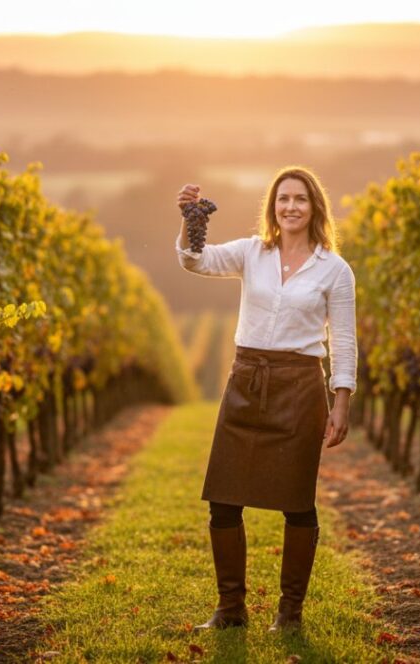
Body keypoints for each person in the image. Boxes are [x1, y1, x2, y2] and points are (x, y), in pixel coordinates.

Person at [174, 165, 358, 633]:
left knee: (297, 503)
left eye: (300, 198)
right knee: (223, 501)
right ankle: (230, 609)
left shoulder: (335, 270)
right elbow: (195, 261)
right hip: (246, 382)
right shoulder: (252, 252)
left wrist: (341, 400)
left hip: (299, 388)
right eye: (283, 199)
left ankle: (289, 613)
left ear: (315, 207)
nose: (291, 207)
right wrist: (190, 219)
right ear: (273, 207)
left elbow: (343, 340)